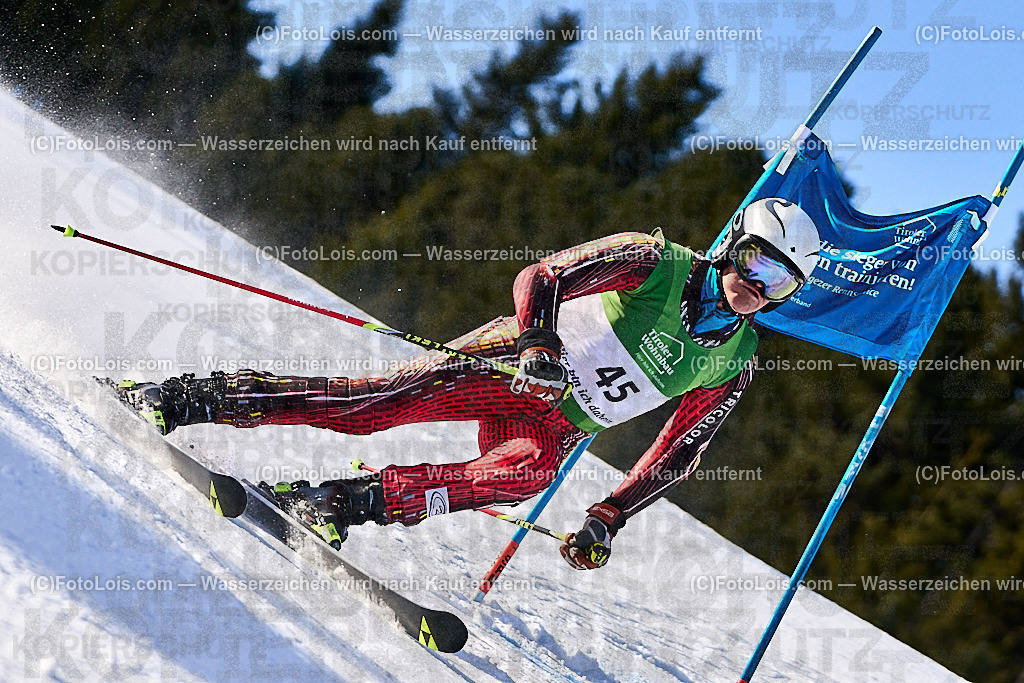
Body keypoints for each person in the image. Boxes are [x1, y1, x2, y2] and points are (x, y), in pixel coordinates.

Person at [119, 197, 820, 570]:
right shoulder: (655, 261)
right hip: (507, 367)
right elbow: (544, 276)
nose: (756, 287)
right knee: (365, 411)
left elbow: (676, 451)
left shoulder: (735, 361)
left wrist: (609, 514)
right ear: (737, 246)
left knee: (527, 473)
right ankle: (199, 397)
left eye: (779, 282)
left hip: (550, 422)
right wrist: (539, 340)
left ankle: (343, 500)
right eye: (756, 263)